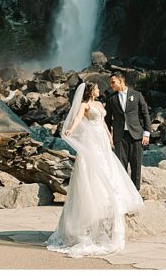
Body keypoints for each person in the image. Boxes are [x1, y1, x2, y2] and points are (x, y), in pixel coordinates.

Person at [46, 82, 145, 257]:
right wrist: (70, 129)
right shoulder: (84, 105)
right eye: (97, 88)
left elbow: (104, 123)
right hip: (91, 139)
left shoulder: (99, 104)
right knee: (92, 168)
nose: (100, 90)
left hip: (102, 139)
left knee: (108, 166)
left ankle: (110, 197)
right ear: (90, 91)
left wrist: (109, 137)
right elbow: (77, 118)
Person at [104, 73, 151, 189]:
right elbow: (107, 120)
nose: (111, 85)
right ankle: (123, 193)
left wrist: (147, 133)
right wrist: (108, 137)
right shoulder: (111, 98)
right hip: (119, 137)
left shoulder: (137, 95)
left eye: (113, 82)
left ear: (121, 81)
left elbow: (145, 114)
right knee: (120, 166)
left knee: (136, 165)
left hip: (136, 135)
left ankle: (136, 192)